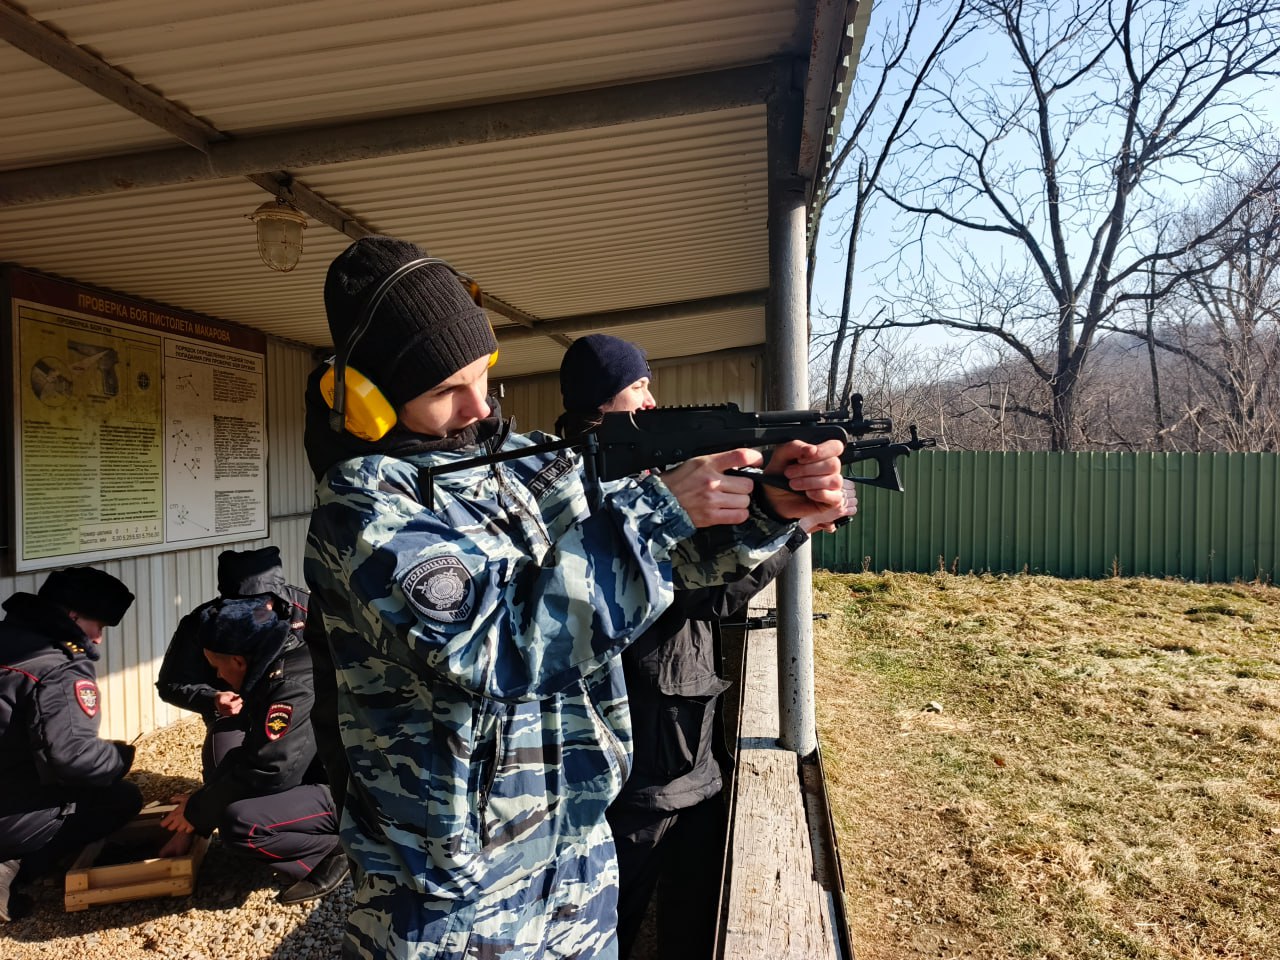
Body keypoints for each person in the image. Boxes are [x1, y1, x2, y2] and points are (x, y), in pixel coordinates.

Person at [302, 235, 846, 959]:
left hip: (578, 856)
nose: (478, 406)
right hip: (454, 896)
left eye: (482, 374)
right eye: (443, 392)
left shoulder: (526, 465)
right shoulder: (365, 505)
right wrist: (657, 512)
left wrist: (771, 507)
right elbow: (497, 647)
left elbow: (673, 565)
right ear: (369, 400)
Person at [557, 334, 858, 959]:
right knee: (619, 909)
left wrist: (787, 522)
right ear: (602, 402)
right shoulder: (592, 481)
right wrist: (792, 528)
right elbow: (706, 596)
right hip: (649, 744)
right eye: (638, 386)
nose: (652, 397)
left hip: (670, 734)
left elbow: (708, 583)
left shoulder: (625, 474)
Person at [157, 595, 347, 905]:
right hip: (322, 771)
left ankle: (340, 848)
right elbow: (251, 756)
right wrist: (201, 806)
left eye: (217, 667)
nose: (218, 677)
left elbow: (271, 770)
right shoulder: (277, 664)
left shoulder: (290, 686)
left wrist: (200, 809)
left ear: (238, 661)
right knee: (227, 772)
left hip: (353, 795)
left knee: (243, 824)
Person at [0, 567, 143, 923]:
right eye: (100, 627)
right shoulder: (59, 666)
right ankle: (12, 867)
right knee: (120, 797)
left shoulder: (8, 637)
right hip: (6, 812)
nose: (99, 639)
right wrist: (119, 757)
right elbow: (73, 758)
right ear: (74, 616)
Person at [156, 546, 309, 779]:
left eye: (260, 604)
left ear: (277, 595)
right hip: (236, 716)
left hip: (302, 708)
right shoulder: (204, 624)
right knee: (223, 769)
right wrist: (213, 699)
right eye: (237, 604)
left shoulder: (312, 610)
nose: (249, 612)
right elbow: (172, 684)